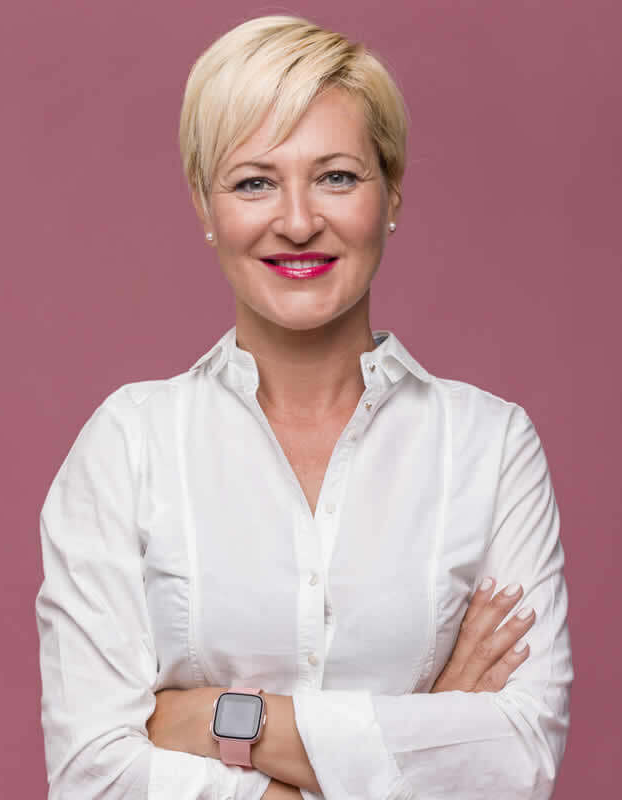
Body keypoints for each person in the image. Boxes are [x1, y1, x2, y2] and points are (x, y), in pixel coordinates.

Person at [35, 14, 573, 800]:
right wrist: (428, 727)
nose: (296, 221)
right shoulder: (129, 444)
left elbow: (518, 760)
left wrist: (211, 720)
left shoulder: (490, 447)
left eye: (337, 177)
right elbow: (94, 776)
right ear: (205, 207)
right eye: (254, 182)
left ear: (391, 192)